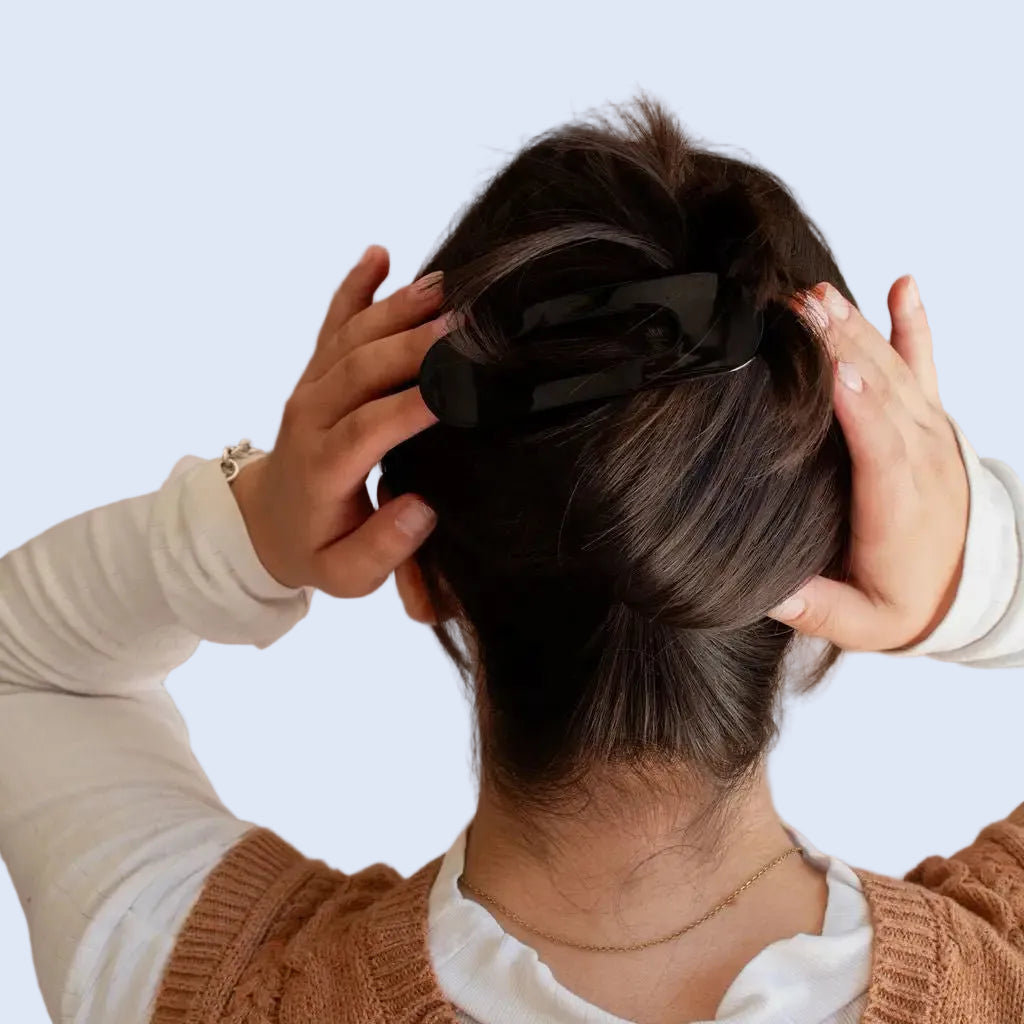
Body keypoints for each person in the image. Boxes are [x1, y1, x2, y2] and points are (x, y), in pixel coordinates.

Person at [0, 95, 1021, 1024]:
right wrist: (972, 579)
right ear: (839, 557)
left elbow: (25, 666)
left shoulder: (224, 991)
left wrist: (254, 530)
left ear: (419, 567)